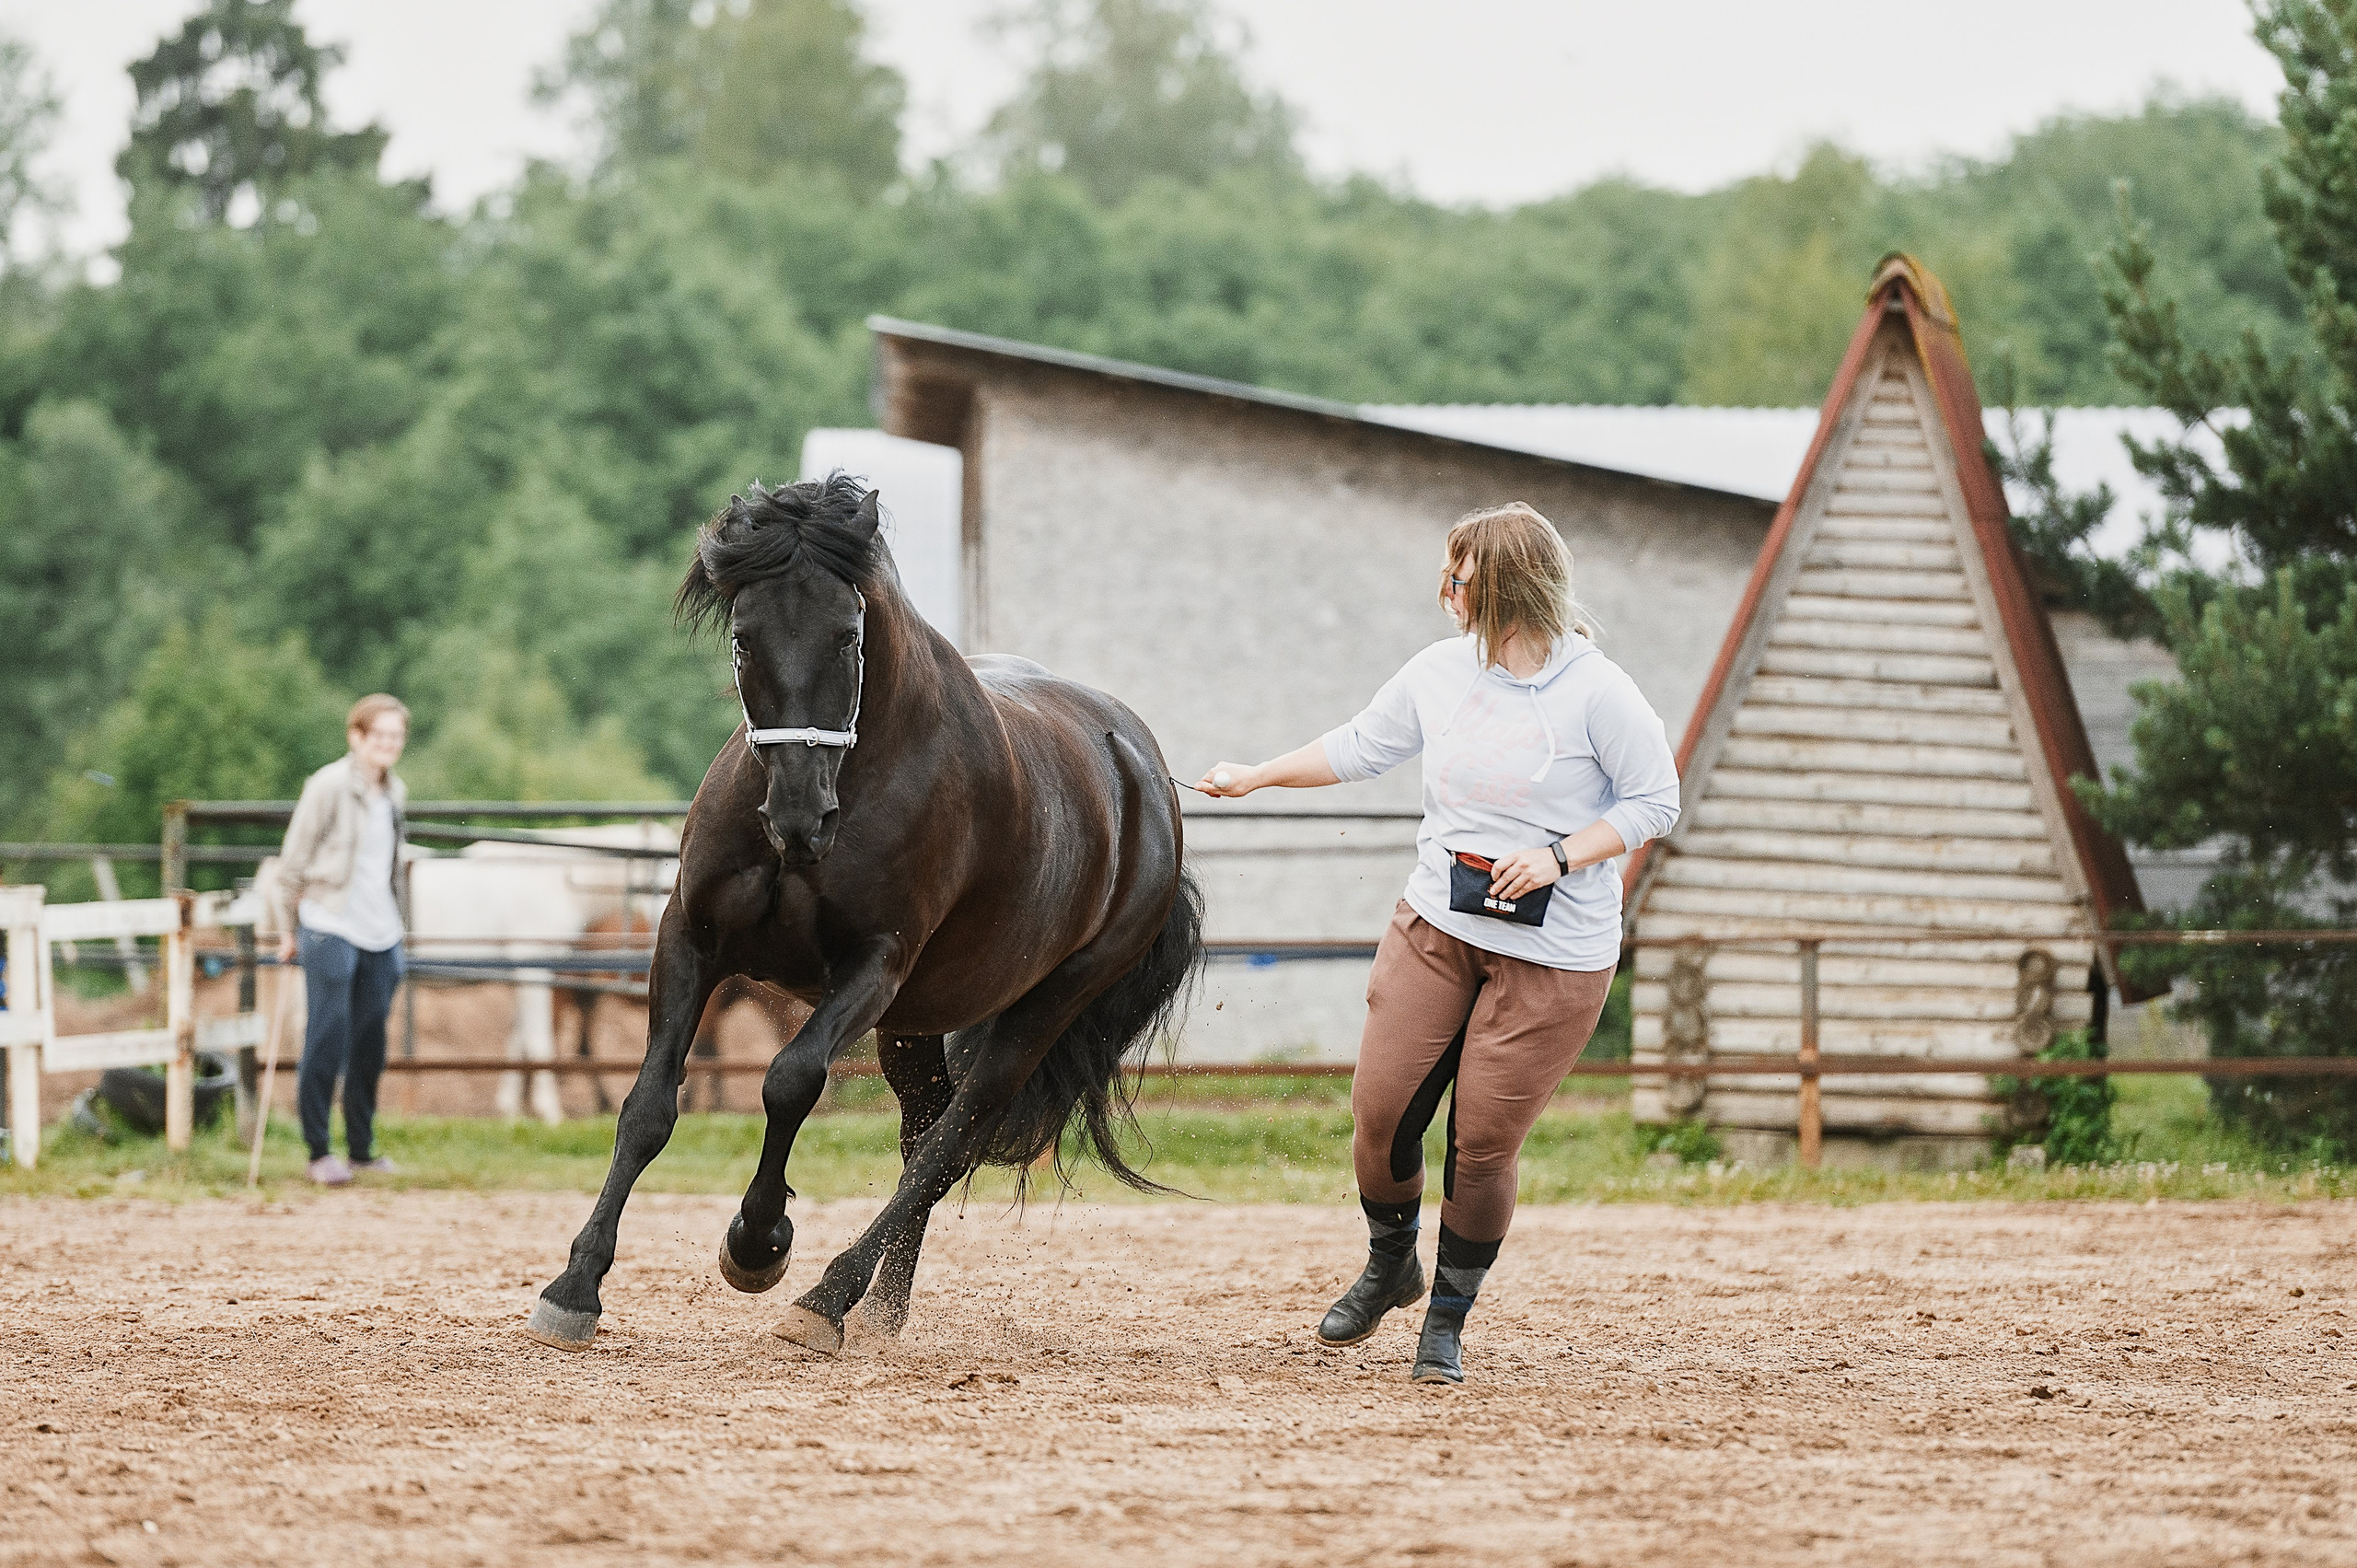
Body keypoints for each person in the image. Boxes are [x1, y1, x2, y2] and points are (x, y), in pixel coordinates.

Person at [1198, 503, 1678, 1385]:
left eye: (1457, 576)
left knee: (1482, 1142)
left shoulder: (1597, 692)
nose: (1444, 590)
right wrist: (1257, 775)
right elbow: (1360, 746)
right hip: (1438, 926)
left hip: (1554, 955)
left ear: (1501, 585)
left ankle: (1447, 1320)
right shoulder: (1439, 672)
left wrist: (1561, 855)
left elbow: (1656, 800)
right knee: (1381, 1115)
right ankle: (1392, 1264)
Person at [268, 694, 411, 1187]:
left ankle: (362, 1148)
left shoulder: (395, 793)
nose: (388, 744)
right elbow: (291, 865)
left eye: (396, 736)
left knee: (371, 1042)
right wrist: (288, 929)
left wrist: (400, 925)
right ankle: (317, 1149)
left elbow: (390, 866)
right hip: (329, 922)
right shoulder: (327, 786)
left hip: (380, 928)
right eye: (380, 736)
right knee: (327, 1034)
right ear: (357, 736)